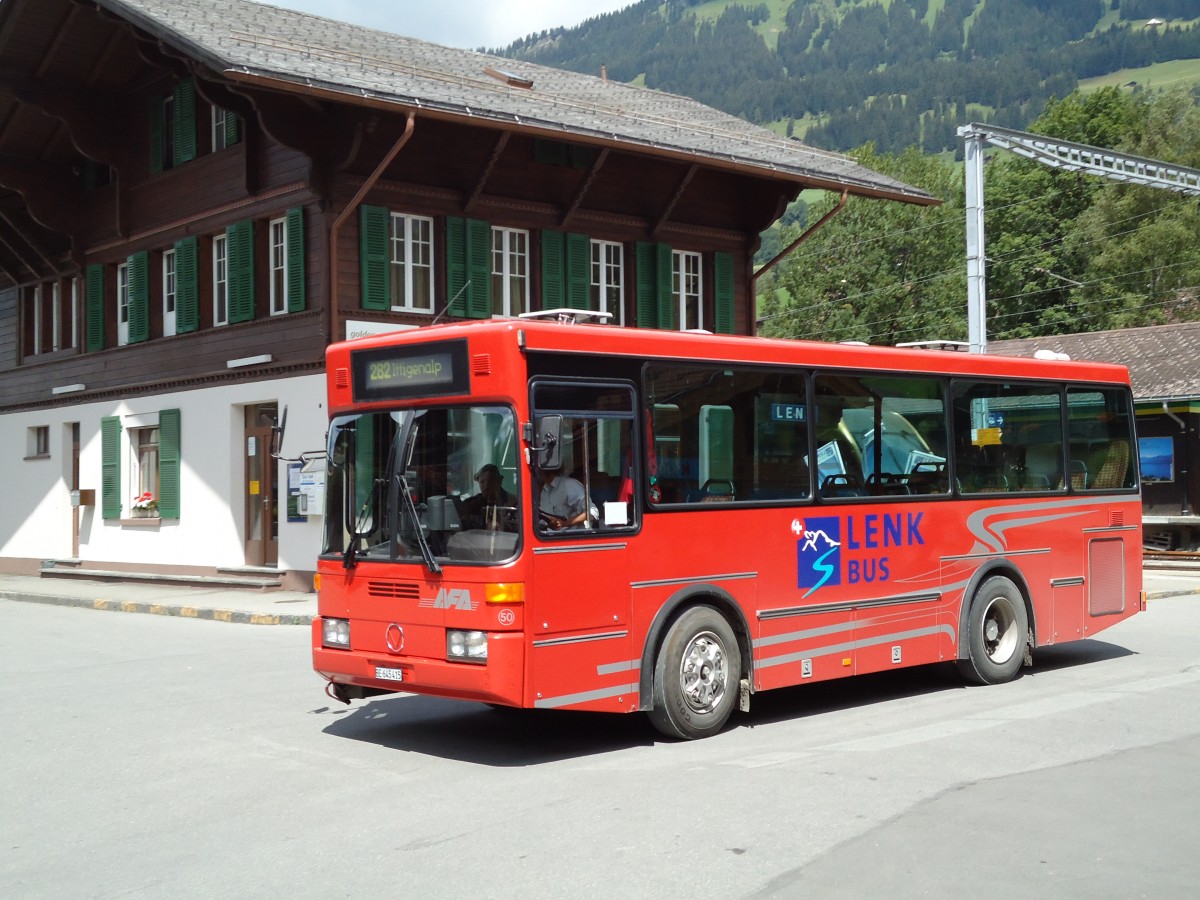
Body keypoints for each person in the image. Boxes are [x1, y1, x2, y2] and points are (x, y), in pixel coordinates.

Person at [461, 464, 513, 531]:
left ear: (499, 482)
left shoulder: (512, 503)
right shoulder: (471, 504)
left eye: (490, 481)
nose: (486, 486)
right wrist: (484, 524)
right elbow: (463, 519)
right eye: (482, 482)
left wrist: (503, 525)